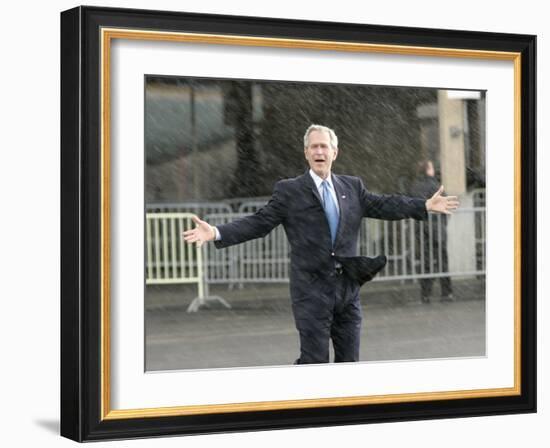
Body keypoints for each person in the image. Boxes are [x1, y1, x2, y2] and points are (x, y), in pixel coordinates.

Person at [183, 125, 459, 364]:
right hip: (311, 291)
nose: (319, 152)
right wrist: (216, 232)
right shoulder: (289, 190)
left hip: (346, 292)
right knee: (314, 363)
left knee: (349, 362)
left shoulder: (352, 187)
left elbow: (384, 204)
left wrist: (423, 205)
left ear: (334, 152)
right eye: (313, 147)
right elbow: (259, 222)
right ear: (306, 153)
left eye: (324, 147)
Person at [409, 160, 454, 303]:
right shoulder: (434, 185)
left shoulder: (415, 186)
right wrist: (443, 223)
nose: (434, 169)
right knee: (442, 260)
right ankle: (446, 292)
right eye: (432, 167)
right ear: (428, 170)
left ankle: (425, 294)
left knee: (425, 261)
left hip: (421, 228)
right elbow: (446, 203)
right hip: (436, 228)